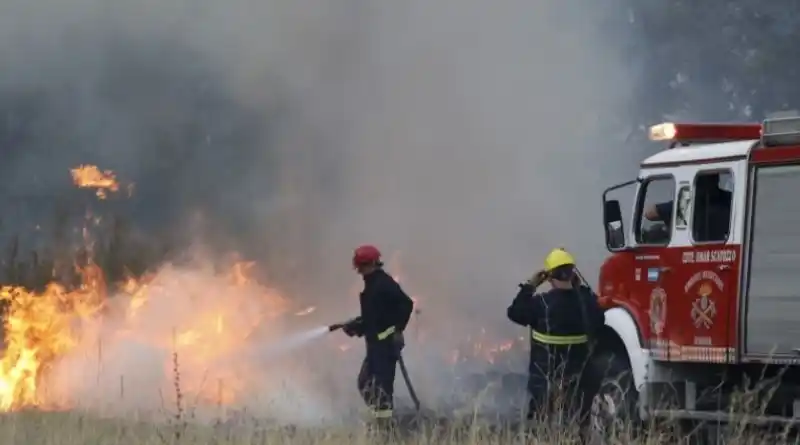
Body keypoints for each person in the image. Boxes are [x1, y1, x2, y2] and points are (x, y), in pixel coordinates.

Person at [507, 248, 605, 437]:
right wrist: (579, 288)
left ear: (549, 277)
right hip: (580, 380)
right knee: (579, 426)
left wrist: (530, 285)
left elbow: (514, 313)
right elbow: (599, 319)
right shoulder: (587, 303)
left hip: (544, 379)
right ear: (573, 274)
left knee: (539, 425)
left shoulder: (539, 304)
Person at [340, 244, 414, 426]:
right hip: (374, 347)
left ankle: (386, 429)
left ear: (372, 263)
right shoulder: (372, 285)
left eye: (362, 266)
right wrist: (357, 326)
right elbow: (374, 317)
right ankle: (380, 419)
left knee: (382, 389)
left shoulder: (384, 283)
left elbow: (406, 304)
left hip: (385, 347)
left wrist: (398, 329)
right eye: (359, 267)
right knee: (364, 383)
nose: (360, 271)